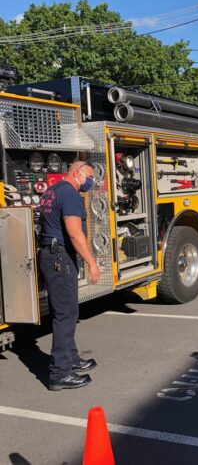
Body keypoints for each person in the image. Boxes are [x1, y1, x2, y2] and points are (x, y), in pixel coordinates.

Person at [38, 160, 100, 390]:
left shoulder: (52, 191)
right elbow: (74, 234)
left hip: (50, 256)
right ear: (76, 173)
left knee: (65, 311)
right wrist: (92, 263)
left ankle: (71, 358)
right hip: (60, 258)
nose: (90, 181)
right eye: (88, 177)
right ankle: (60, 373)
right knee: (66, 314)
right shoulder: (71, 194)